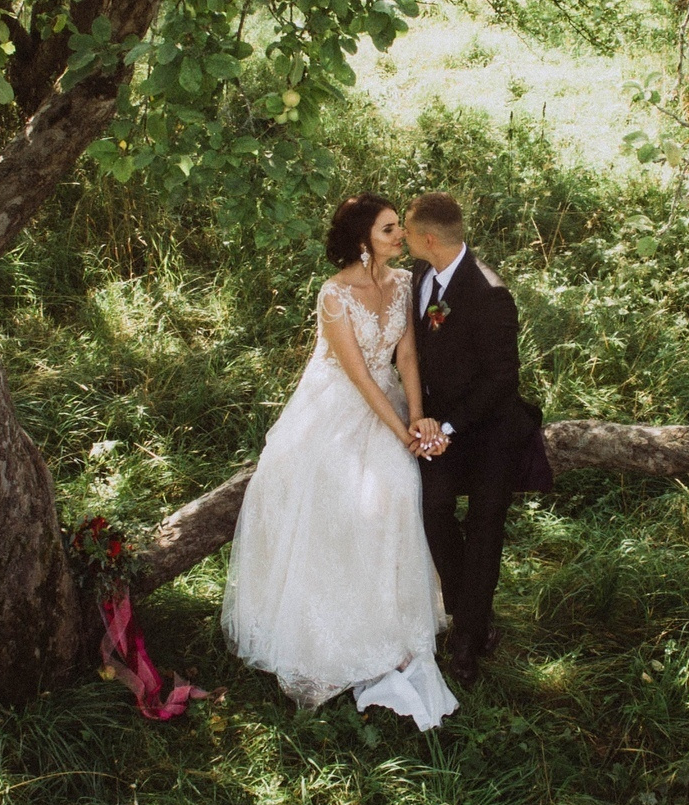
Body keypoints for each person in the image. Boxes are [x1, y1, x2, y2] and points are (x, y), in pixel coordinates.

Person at [219, 195, 458, 729]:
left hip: (390, 400)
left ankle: (391, 621)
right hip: (337, 407)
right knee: (339, 496)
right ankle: (328, 623)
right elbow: (360, 376)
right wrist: (401, 433)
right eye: (389, 229)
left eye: (398, 227)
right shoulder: (334, 295)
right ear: (362, 239)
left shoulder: (405, 282)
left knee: (400, 487)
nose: (401, 236)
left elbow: (406, 357)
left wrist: (418, 419)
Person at [403, 192, 551, 684]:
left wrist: (447, 428)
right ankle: (472, 611)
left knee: (486, 520)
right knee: (434, 506)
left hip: (489, 427)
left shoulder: (490, 293)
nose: (403, 239)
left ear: (429, 239)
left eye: (407, 232)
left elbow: (501, 381)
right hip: (437, 424)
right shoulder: (421, 275)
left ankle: (467, 640)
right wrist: (428, 422)